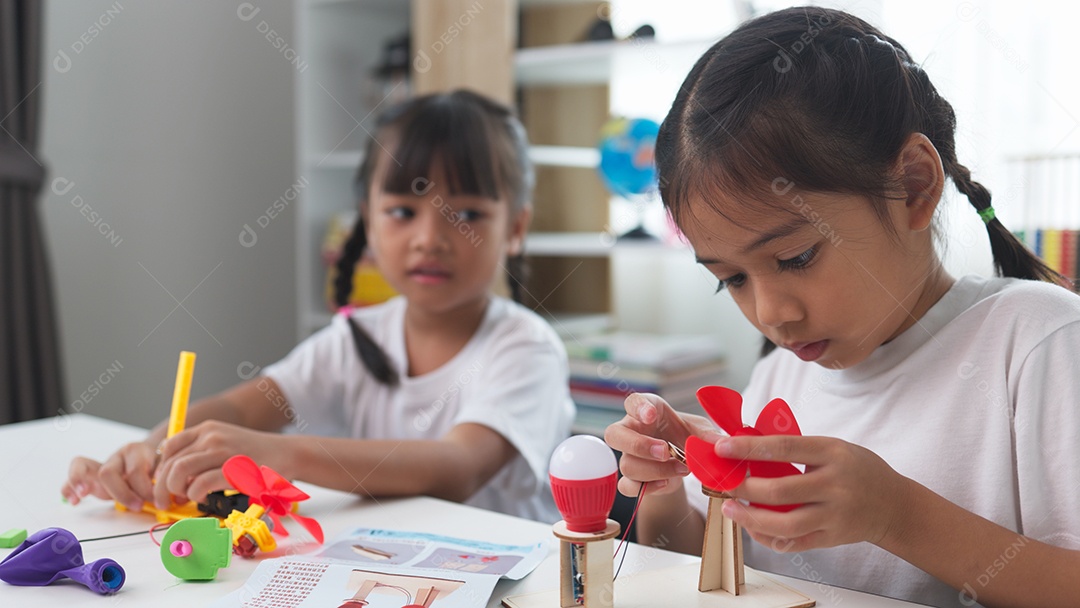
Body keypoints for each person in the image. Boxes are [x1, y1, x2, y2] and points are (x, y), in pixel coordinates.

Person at [605, 7, 1080, 607]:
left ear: (912, 186)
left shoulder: (1037, 343)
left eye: (797, 257)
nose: (771, 314)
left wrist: (897, 516)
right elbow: (710, 573)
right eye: (732, 280)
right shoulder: (782, 374)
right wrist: (669, 487)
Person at [62, 90, 575, 523]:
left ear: (515, 229)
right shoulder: (355, 338)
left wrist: (283, 452)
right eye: (402, 211)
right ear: (368, 223)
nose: (430, 238)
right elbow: (245, 407)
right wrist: (158, 448)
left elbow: (457, 468)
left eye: (465, 213)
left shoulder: (526, 349)